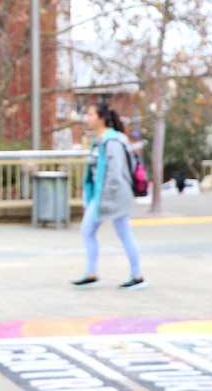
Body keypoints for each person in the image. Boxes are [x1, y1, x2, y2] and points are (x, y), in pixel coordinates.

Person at [72, 102, 146, 291]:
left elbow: (115, 172)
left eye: (90, 115)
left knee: (120, 232)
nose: (87, 118)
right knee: (89, 230)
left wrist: (107, 198)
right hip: (102, 195)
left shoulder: (112, 141)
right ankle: (91, 273)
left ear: (101, 118)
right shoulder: (100, 140)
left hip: (114, 195)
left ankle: (137, 275)